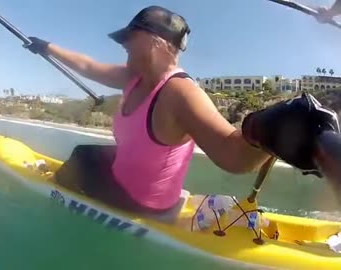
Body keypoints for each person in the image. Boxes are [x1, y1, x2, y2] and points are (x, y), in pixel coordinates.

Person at [25, 6, 339, 216]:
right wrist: (47, 46)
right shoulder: (133, 77)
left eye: (128, 38)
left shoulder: (179, 92)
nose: (122, 45)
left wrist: (268, 129)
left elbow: (231, 153)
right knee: (88, 153)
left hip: (141, 204)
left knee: (81, 157)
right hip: (129, 180)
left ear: (154, 42)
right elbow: (88, 66)